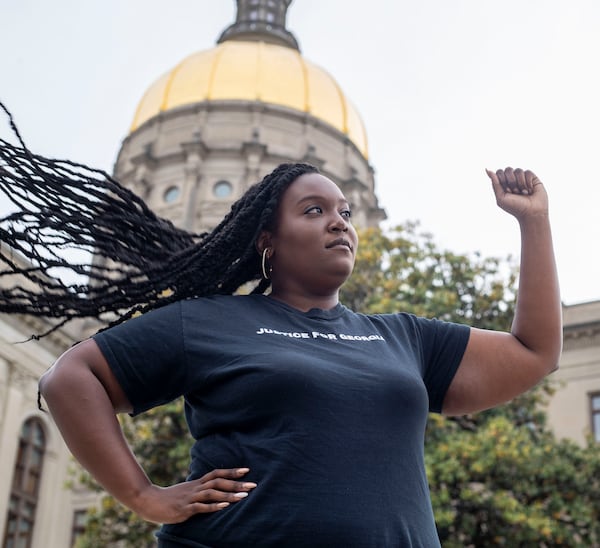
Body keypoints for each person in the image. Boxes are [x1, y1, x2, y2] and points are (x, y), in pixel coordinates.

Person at [1, 106, 561, 546]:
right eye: (314, 210)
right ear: (267, 239)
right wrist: (143, 494)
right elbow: (69, 378)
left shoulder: (403, 338)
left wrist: (533, 224)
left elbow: (533, 352)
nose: (338, 222)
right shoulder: (212, 322)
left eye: (344, 211)